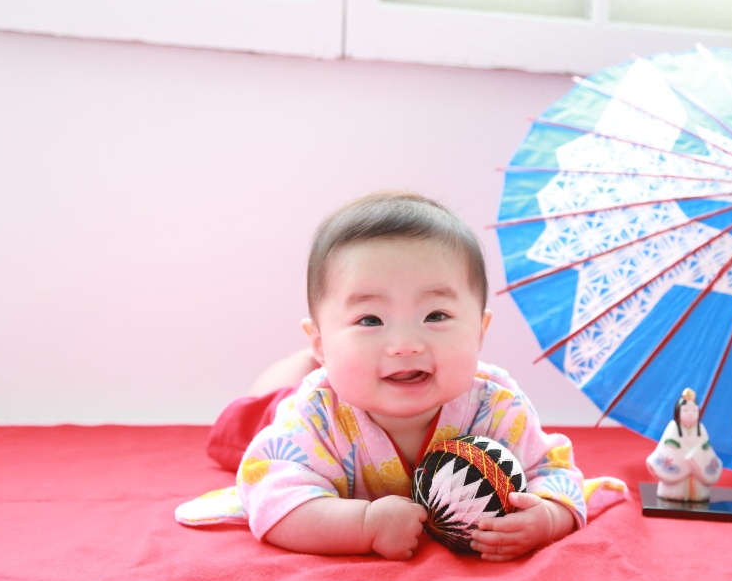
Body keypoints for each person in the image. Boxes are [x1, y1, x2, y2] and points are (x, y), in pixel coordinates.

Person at [219, 191, 590, 561]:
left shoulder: (496, 406)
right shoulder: (313, 416)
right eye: (370, 320)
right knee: (250, 417)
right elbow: (271, 499)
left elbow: (555, 473)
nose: (405, 345)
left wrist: (547, 517)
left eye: (435, 316)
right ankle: (302, 363)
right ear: (321, 340)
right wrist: (364, 525)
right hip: (272, 414)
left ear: (480, 330)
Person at [645, 388, 722, 502]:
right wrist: (686, 456)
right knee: (675, 488)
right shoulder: (673, 427)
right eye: (685, 410)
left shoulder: (701, 428)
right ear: (678, 412)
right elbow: (668, 447)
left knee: (699, 487)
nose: (691, 414)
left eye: (694, 410)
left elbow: (706, 448)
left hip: (697, 473)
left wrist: (697, 456)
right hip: (676, 478)